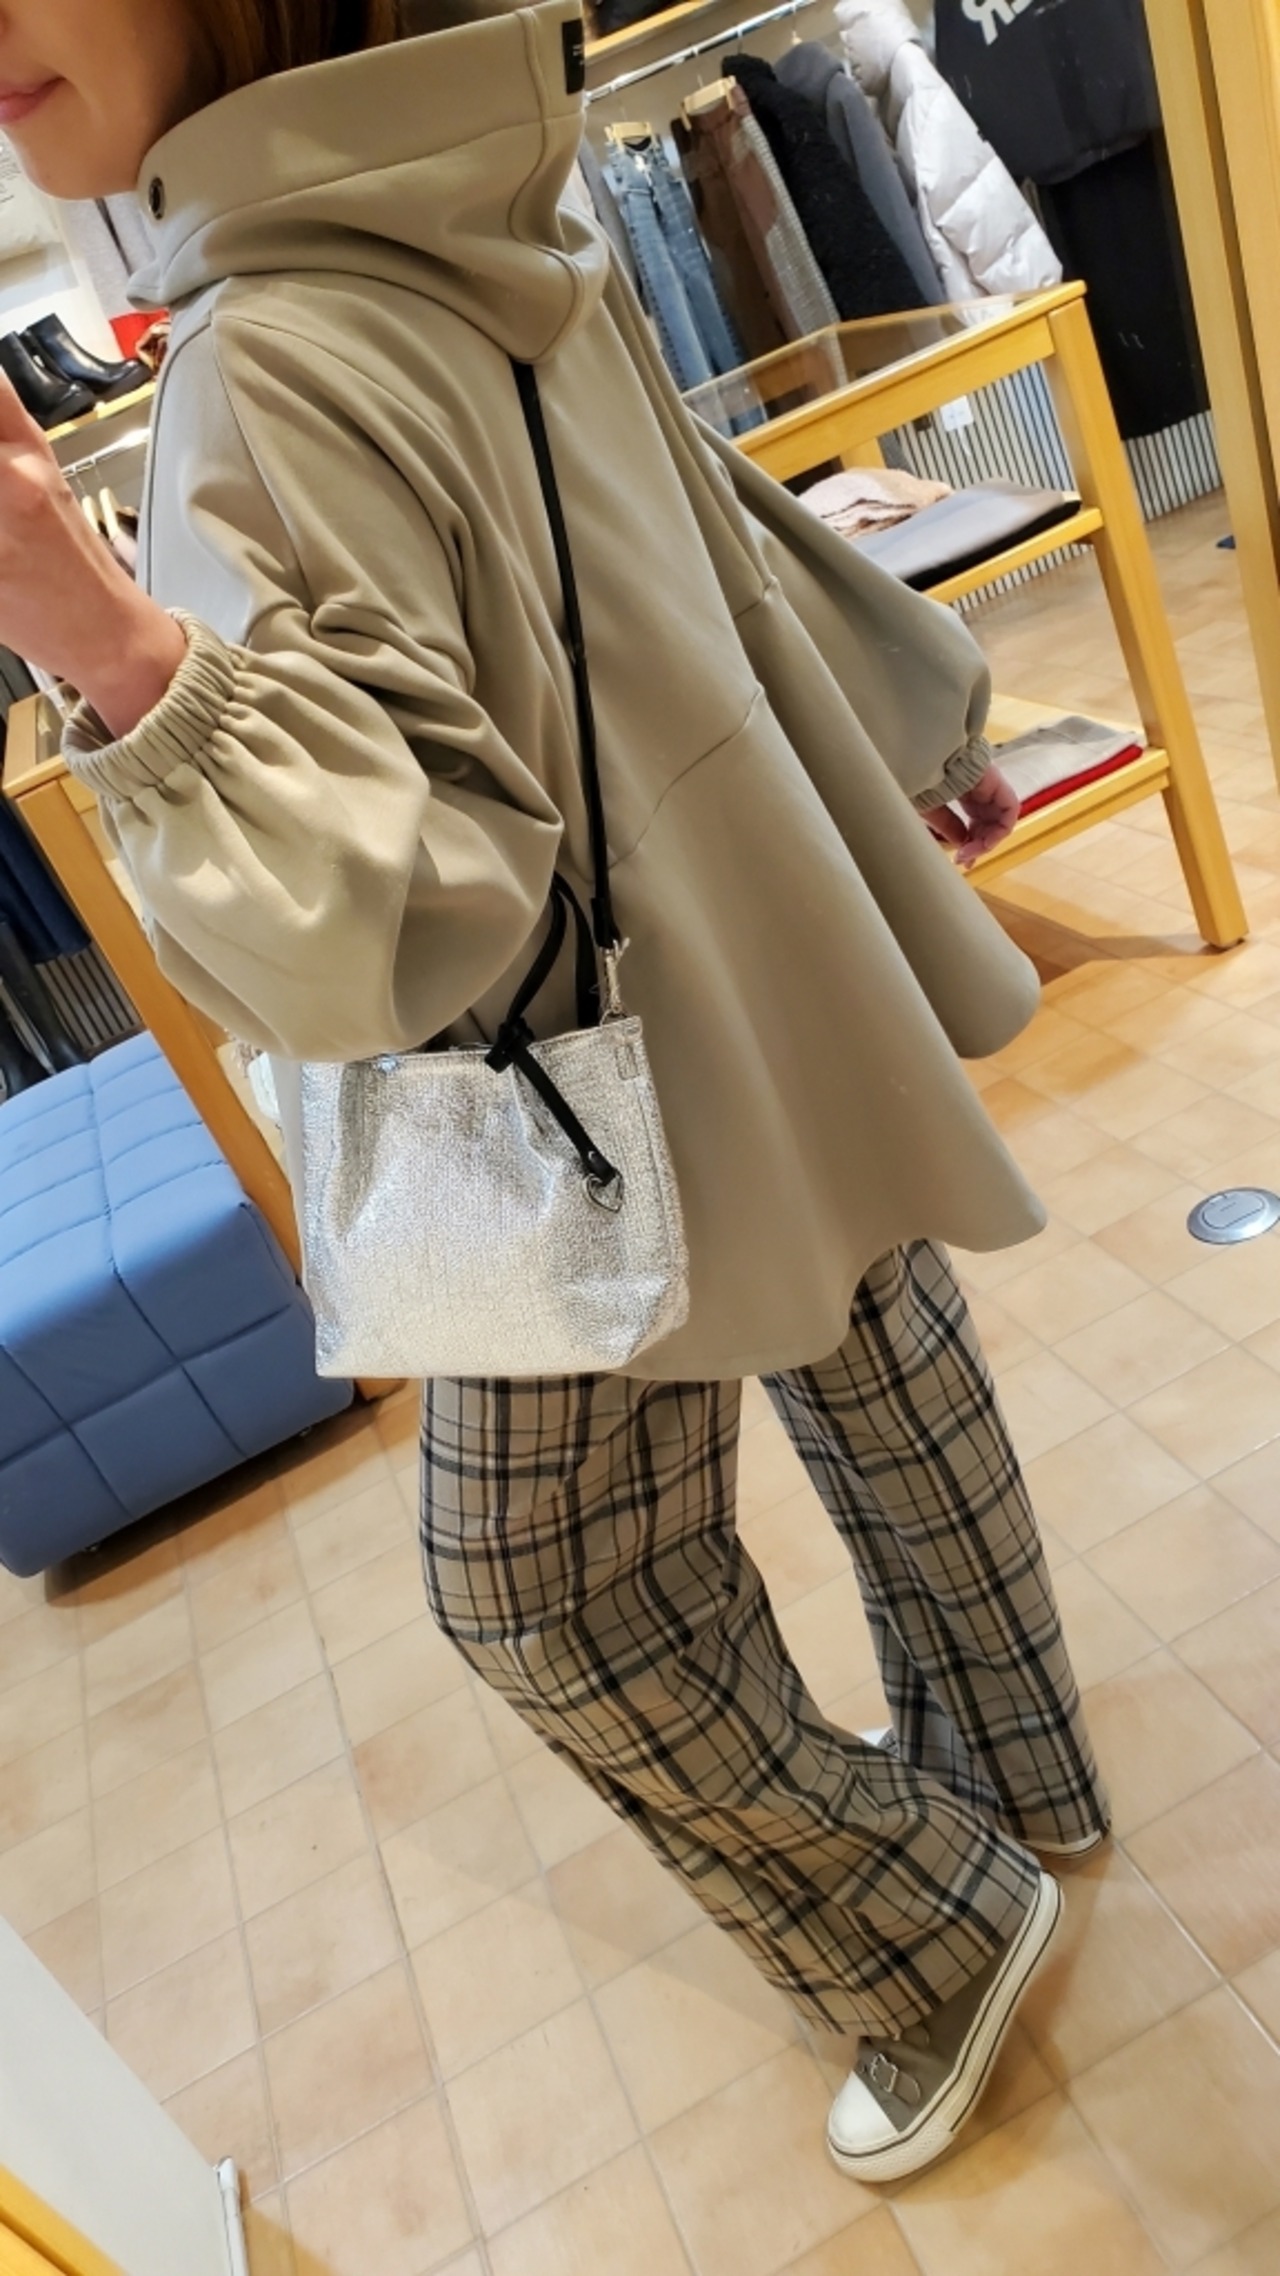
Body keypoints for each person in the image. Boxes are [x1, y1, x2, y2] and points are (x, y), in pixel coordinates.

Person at [0, 0, 1109, 2185]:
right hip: (743, 909)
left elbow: (370, 916)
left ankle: (931, 1924)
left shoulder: (263, 341)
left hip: (551, 1062)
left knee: (537, 1586)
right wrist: (907, 731)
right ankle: (1026, 1775)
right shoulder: (489, 182)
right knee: (868, 1314)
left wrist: (102, 641)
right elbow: (705, 541)